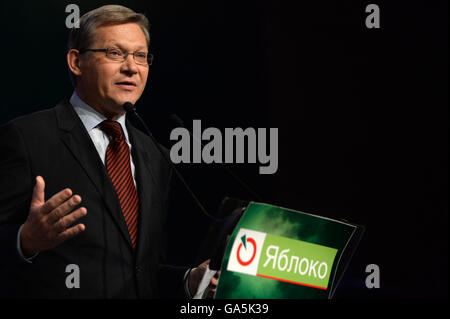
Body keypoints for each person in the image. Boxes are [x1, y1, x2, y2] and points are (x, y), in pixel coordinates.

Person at [0, 4, 217, 298]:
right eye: (115, 53)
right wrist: (25, 241)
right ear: (76, 61)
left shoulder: (156, 155)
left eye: (140, 56)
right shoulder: (26, 138)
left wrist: (188, 281)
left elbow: (140, 268)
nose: (131, 67)